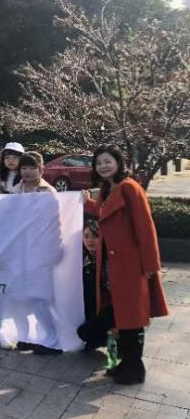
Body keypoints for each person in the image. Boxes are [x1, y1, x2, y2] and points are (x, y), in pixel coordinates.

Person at [84, 144, 168, 385]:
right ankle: (122, 363)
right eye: (99, 162)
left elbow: (145, 226)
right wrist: (87, 203)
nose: (103, 166)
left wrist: (151, 263)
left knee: (131, 318)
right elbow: (105, 214)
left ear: (119, 163)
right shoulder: (107, 190)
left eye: (107, 161)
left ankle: (135, 368)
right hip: (110, 264)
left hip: (130, 264)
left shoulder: (130, 187)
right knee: (118, 316)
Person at [8, 152, 60, 354]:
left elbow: (56, 224)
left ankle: (51, 338)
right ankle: (24, 336)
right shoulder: (13, 192)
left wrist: (53, 251)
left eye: (32, 167)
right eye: (24, 168)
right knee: (17, 296)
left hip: (40, 252)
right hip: (17, 252)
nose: (28, 172)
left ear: (41, 169)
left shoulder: (48, 192)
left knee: (40, 297)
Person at [77, 217, 115, 351]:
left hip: (110, 308)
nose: (90, 240)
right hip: (92, 307)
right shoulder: (82, 257)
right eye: (86, 236)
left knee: (84, 332)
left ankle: (114, 336)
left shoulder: (109, 259)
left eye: (95, 236)